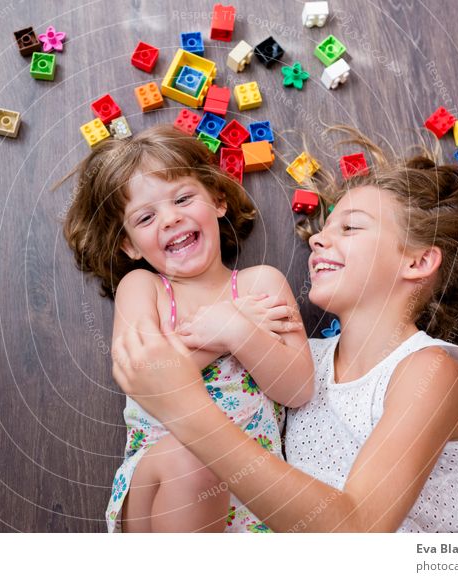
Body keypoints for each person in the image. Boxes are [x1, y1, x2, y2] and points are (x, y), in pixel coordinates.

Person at [111, 127, 458, 532]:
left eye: (351, 227)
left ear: (416, 263)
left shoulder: (431, 373)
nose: (318, 239)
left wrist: (186, 406)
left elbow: (357, 532)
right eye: (324, 228)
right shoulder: (308, 359)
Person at [63, 126, 315, 532]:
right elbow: (144, 377)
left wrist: (237, 330)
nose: (171, 217)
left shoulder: (260, 285)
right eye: (145, 217)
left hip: (257, 503)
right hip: (161, 489)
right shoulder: (142, 288)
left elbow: (298, 388)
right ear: (129, 245)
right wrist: (223, 334)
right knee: (195, 457)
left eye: (182, 198)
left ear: (217, 200)